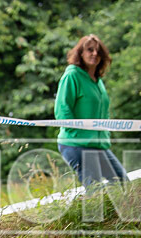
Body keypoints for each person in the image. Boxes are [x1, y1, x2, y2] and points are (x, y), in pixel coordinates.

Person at [55, 34, 128, 188]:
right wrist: (77, 133)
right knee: (94, 190)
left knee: (122, 183)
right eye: (90, 50)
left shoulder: (98, 81)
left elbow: (103, 112)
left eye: (98, 51)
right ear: (81, 53)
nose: (94, 54)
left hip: (98, 145)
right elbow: (62, 108)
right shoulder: (72, 75)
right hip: (76, 144)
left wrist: (105, 134)